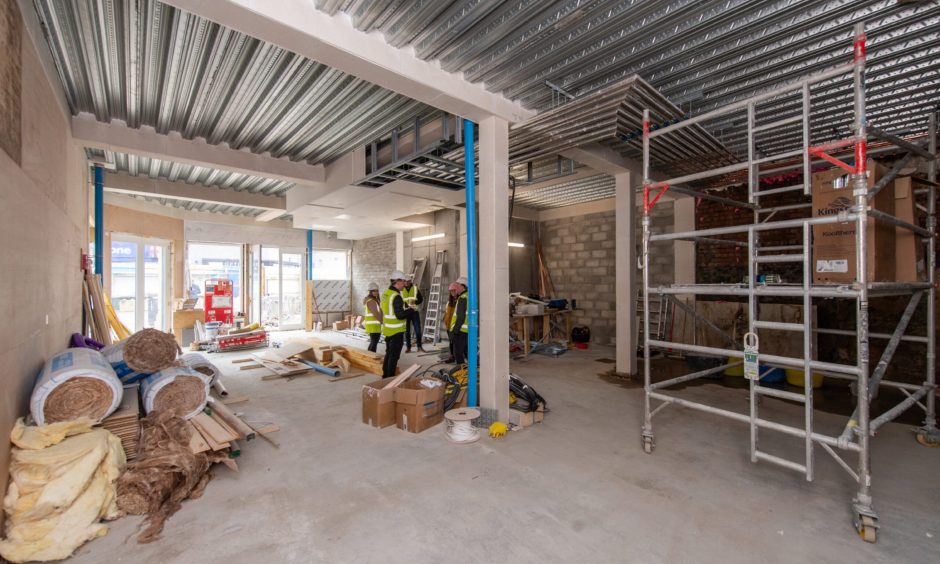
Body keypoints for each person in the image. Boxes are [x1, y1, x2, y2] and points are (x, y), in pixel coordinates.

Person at [381, 270, 408, 378]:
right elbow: (400, 315)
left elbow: (389, 310)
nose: (404, 284)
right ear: (398, 281)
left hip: (388, 329)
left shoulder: (385, 294)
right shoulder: (396, 296)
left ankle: (385, 375)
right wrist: (411, 310)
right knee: (394, 356)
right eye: (403, 282)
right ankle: (389, 378)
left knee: (389, 354)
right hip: (396, 331)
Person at [401, 274, 426, 353]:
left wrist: (415, 301)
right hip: (406, 313)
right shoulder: (401, 290)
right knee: (407, 332)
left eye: (408, 281)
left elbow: (421, 299)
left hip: (414, 312)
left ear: (410, 281)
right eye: (405, 281)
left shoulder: (415, 288)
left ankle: (419, 347)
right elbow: (400, 301)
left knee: (418, 330)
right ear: (404, 282)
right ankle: (408, 347)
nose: (407, 283)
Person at [449, 276, 469, 364]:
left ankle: (461, 371)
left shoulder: (462, 298)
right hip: (467, 330)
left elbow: (460, 317)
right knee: (467, 352)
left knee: (458, 353)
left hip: (460, 330)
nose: (456, 288)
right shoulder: (468, 296)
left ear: (463, 286)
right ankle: (474, 370)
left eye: (457, 285)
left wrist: (455, 331)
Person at [362, 282, 383, 353]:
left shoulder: (371, 300)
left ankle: (369, 356)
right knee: (374, 343)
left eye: (377, 290)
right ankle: (371, 358)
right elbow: (376, 314)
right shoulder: (371, 301)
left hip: (373, 325)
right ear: (370, 292)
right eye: (374, 291)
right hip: (374, 326)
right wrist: (382, 322)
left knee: (373, 342)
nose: (376, 292)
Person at [442, 282, 459, 363]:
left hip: (456, 326)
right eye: (451, 291)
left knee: (457, 343)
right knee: (451, 342)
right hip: (449, 326)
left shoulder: (460, 300)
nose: (452, 292)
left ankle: (457, 357)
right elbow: (446, 312)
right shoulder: (449, 302)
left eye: (453, 290)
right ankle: (452, 356)